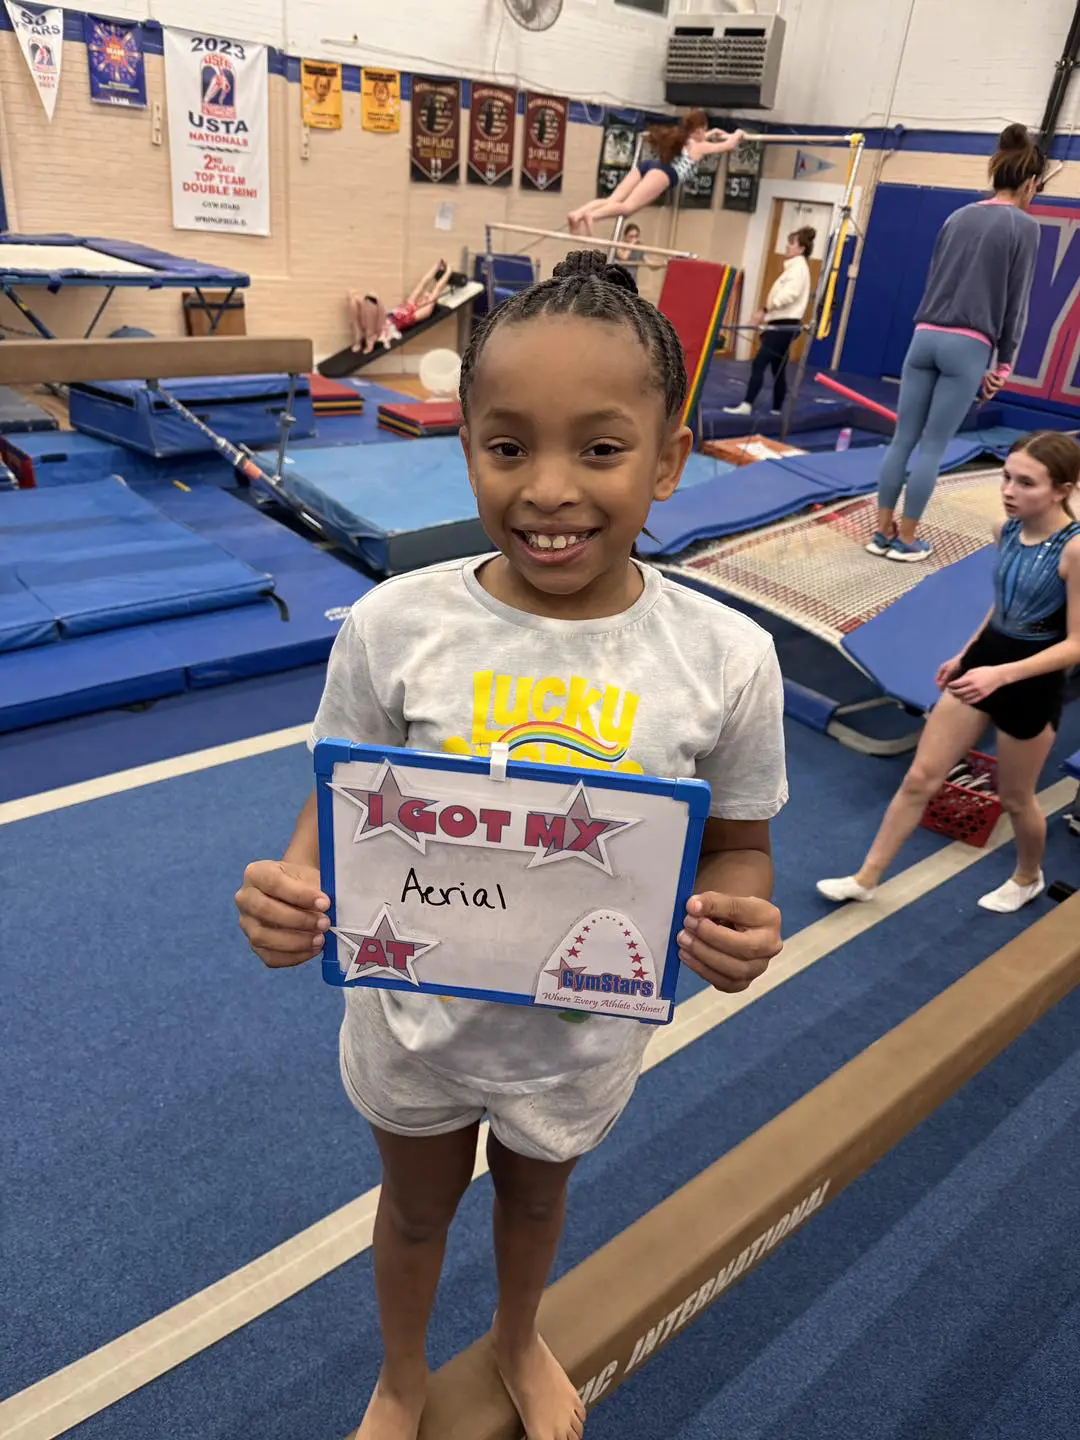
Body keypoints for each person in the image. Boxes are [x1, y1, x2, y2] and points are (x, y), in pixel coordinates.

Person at [236, 249, 788, 1440]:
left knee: (535, 1207)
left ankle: (516, 1334)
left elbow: (739, 844)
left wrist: (742, 913)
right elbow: (335, 808)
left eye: (599, 449)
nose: (548, 489)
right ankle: (398, 1377)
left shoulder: (726, 658)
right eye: (507, 446)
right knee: (416, 1211)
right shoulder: (396, 625)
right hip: (415, 1021)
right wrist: (296, 887)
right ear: (466, 446)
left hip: (579, 1030)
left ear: (669, 462)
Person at [819, 431, 1080, 915]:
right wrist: (966, 654)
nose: (1008, 490)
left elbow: (1075, 645)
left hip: (1030, 685)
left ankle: (1028, 876)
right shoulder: (1005, 531)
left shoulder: (1074, 551)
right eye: (1007, 477)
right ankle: (866, 877)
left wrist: (1001, 676)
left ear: (1061, 490)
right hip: (982, 668)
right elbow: (1003, 608)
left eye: (1026, 483)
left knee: (1016, 797)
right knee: (921, 777)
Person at [866, 124, 1045, 563]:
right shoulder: (1024, 226)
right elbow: (1015, 302)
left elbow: (936, 280)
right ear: (1029, 183)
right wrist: (1002, 366)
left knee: (902, 439)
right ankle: (907, 539)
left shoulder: (957, 217)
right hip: (968, 344)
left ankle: (880, 531)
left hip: (924, 335)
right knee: (933, 446)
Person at [567, 111, 744, 237]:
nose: (705, 134)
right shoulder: (699, 145)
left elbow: (705, 136)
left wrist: (715, 133)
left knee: (612, 200)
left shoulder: (685, 139)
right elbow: (729, 145)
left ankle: (578, 213)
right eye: (704, 130)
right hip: (664, 174)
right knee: (628, 207)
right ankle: (593, 216)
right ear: (699, 130)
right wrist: (738, 133)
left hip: (648, 166)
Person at [724, 226, 816, 417]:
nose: (787, 247)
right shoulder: (793, 269)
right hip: (780, 322)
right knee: (778, 367)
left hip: (784, 324)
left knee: (760, 362)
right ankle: (776, 408)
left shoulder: (798, 269)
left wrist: (764, 310)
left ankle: (747, 404)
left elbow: (788, 296)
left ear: (801, 248)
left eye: (792, 244)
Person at [349, 259, 456, 354]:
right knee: (356, 303)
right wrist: (436, 266)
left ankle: (367, 339)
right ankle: (358, 340)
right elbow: (422, 283)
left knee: (370, 301)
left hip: (385, 328)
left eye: (427, 297)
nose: (424, 296)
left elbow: (438, 288)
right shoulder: (410, 303)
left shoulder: (424, 311)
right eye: (424, 295)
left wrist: (448, 271)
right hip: (383, 320)